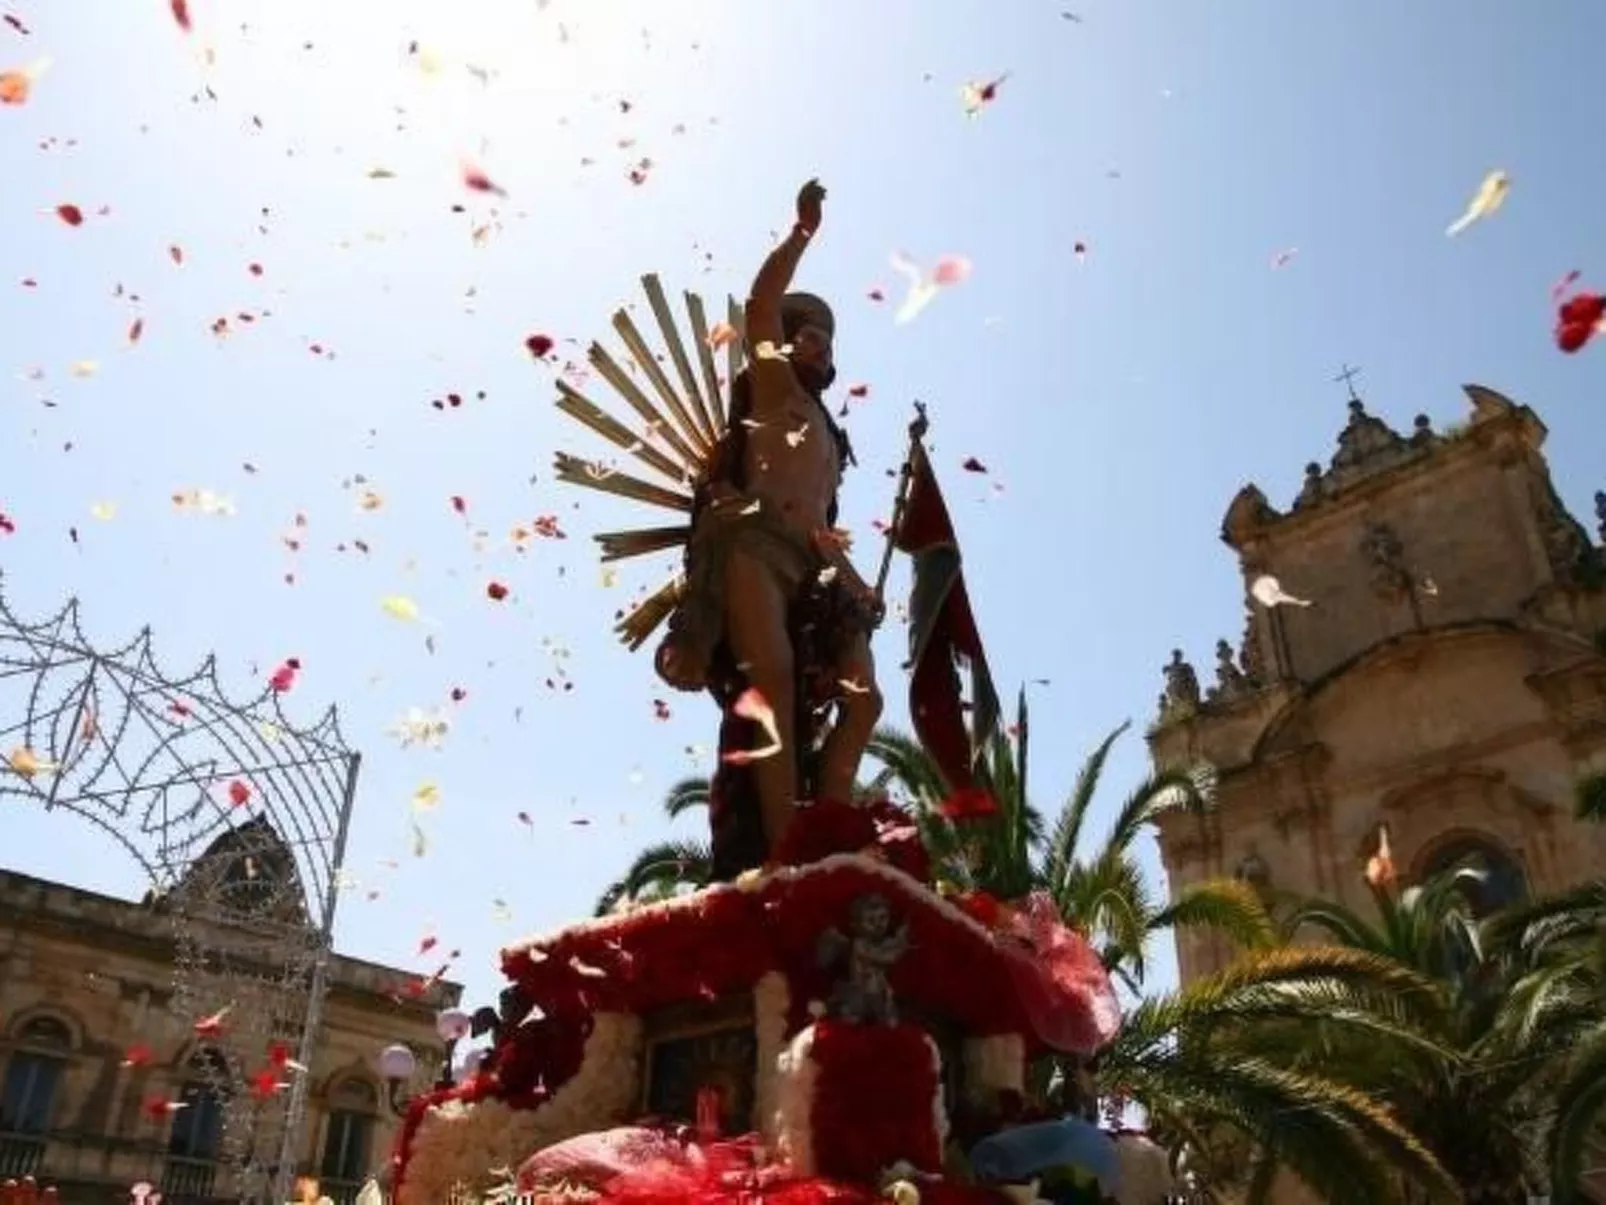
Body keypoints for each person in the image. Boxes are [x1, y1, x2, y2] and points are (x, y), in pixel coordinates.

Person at [654, 179, 883, 868]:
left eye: (826, 340)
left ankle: (830, 828)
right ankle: (786, 850)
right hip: (754, 546)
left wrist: (856, 583)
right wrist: (802, 234)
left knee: (865, 699)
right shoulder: (774, 388)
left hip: (811, 563)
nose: (820, 346)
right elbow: (757, 307)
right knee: (775, 680)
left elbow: (821, 524)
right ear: (788, 344)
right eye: (808, 335)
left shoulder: (831, 438)